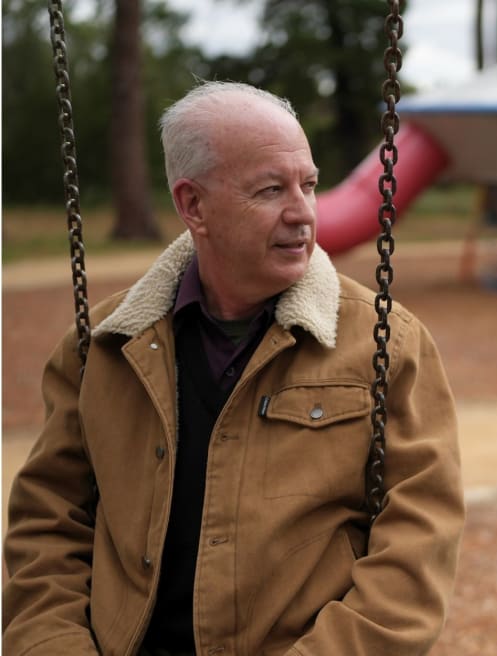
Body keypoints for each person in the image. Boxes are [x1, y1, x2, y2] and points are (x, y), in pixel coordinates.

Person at [3, 81, 464, 656]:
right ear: (192, 205)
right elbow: (48, 525)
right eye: (271, 190)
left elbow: (416, 551)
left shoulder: (388, 345)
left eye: (310, 184)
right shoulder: (101, 347)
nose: (303, 213)